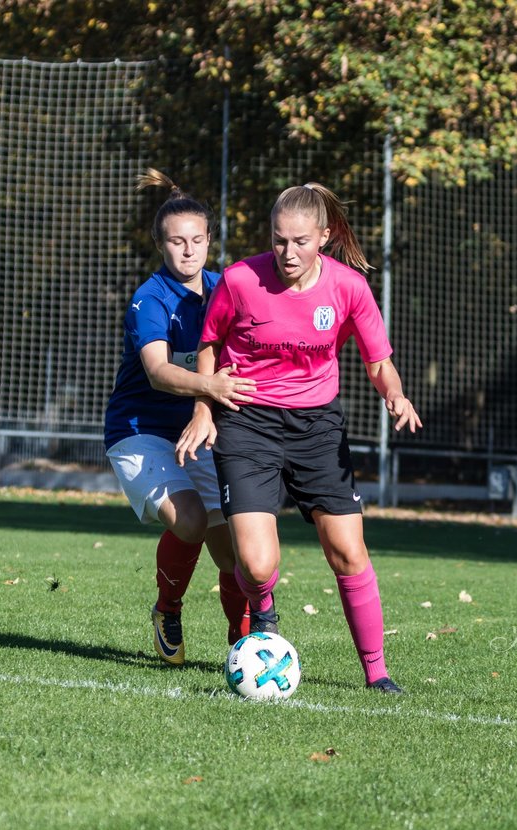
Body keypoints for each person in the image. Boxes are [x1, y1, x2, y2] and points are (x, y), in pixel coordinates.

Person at [176, 182, 422, 694]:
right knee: (258, 564)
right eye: (279, 240)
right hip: (247, 422)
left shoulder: (349, 287)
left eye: (301, 242)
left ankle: (377, 673)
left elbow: (379, 361)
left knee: (349, 552)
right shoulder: (242, 279)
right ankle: (263, 612)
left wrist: (394, 394)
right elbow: (209, 345)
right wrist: (204, 407)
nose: (288, 253)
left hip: (317, 429)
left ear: (325, 237)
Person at [103, 169, 254, 666]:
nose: (188, 251)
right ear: (159, 245)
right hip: (140, 432)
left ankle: (245, 642)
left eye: (196, 240)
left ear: (210, 240)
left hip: (199, 429)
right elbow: (158, 372)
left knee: (235, 552)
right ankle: (167, 609)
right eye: (176, 242)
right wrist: (209, 387)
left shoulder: (225, 289)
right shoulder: (150, 300)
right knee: (189, 520)